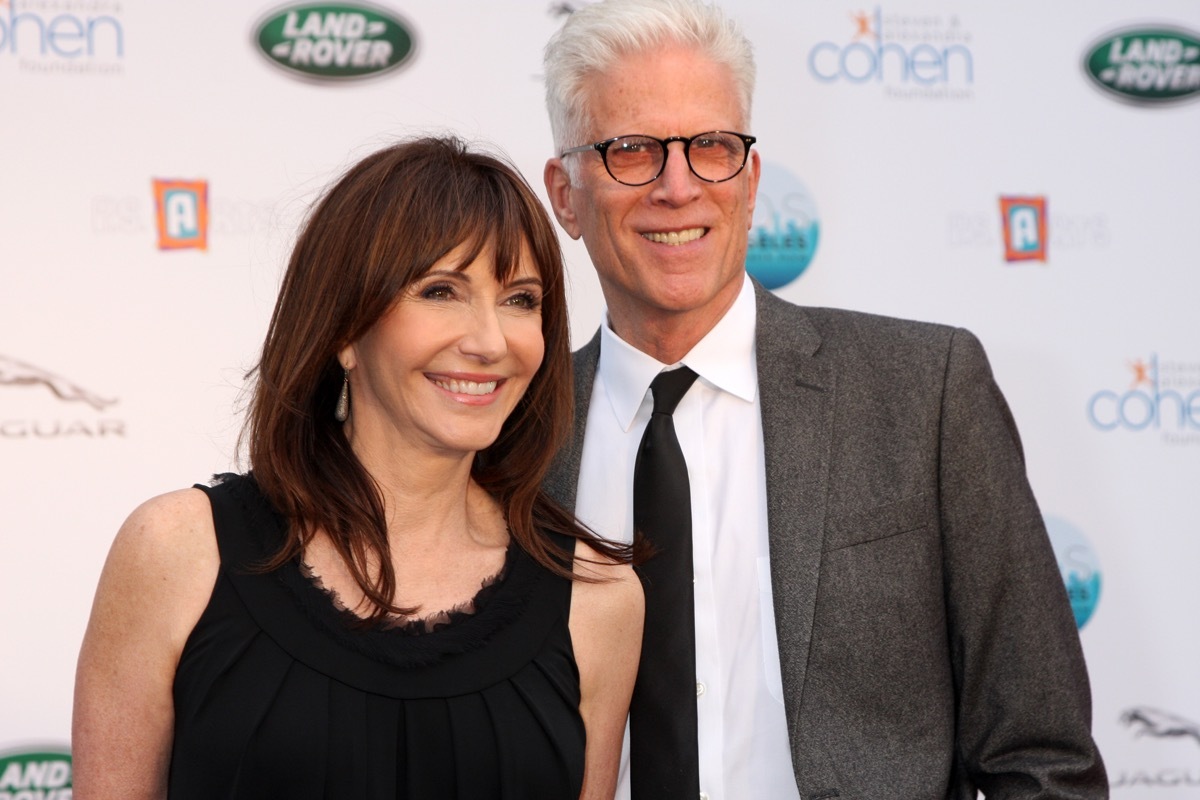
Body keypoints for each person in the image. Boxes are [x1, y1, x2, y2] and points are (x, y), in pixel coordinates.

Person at [540, 1, 1107, 798]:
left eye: (711, 146)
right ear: (565, 194)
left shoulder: (924, 393)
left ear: (751, 178)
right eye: (631, 150)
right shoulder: (515, 434)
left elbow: (1041, 755)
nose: (679, 187)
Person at [72, 136, 643, 799]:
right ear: (344, 327)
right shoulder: (175, 553)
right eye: (440, 290)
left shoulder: (597, 601)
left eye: (520, 299)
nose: (490, 342)